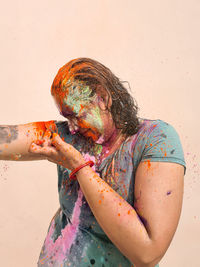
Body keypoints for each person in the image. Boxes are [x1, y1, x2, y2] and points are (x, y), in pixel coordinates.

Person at [0, 58, 186, 267]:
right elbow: (5, 140)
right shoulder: (72, 138)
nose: (71, 128)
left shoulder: (155, 140)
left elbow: (147, 254)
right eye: (66, 118)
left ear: (103, 98)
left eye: (77, 115)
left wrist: (79, 167)